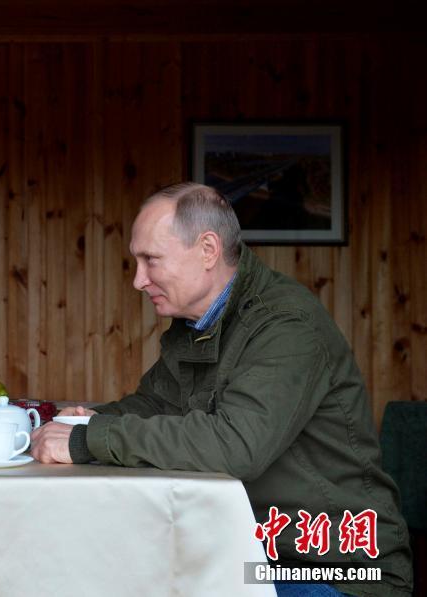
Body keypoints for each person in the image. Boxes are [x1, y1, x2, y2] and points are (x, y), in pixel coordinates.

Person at [31, 183, 413, 597]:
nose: (139, 280)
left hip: (339, 568)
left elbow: (236, 445)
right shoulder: (201, 321)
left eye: (151, 261)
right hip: (254, 554)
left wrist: (93, 439)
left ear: (208, 250)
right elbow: (156, 402)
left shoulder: (286, 325)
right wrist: (94, 421)